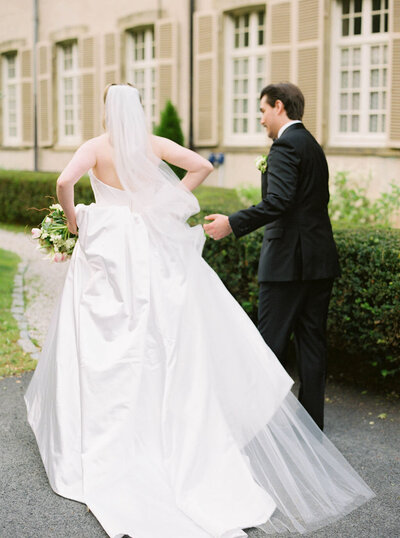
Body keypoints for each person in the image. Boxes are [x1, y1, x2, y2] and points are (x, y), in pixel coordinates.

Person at [25, 83, 373, 538]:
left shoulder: (94, 147)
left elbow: (63, 182)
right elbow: (201, 166)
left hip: (108, 246)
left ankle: (107, 426)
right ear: (140, 110)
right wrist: (162, 203)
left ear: (108, 111)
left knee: (103, 337)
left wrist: (75, 223)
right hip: (150, 245)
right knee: (163, 331)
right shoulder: (153, 145)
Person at [204, 83, 340, 431]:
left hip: (286, 265)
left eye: (263, 111)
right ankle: (311, 429)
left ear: (278, 106)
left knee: (268, 346)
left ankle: (261, 431)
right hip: (319, 261)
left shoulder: (284, 147)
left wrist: (232, 223)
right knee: (312, 345)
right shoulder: (312, 145)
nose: (261, 119)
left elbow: (278, 201)